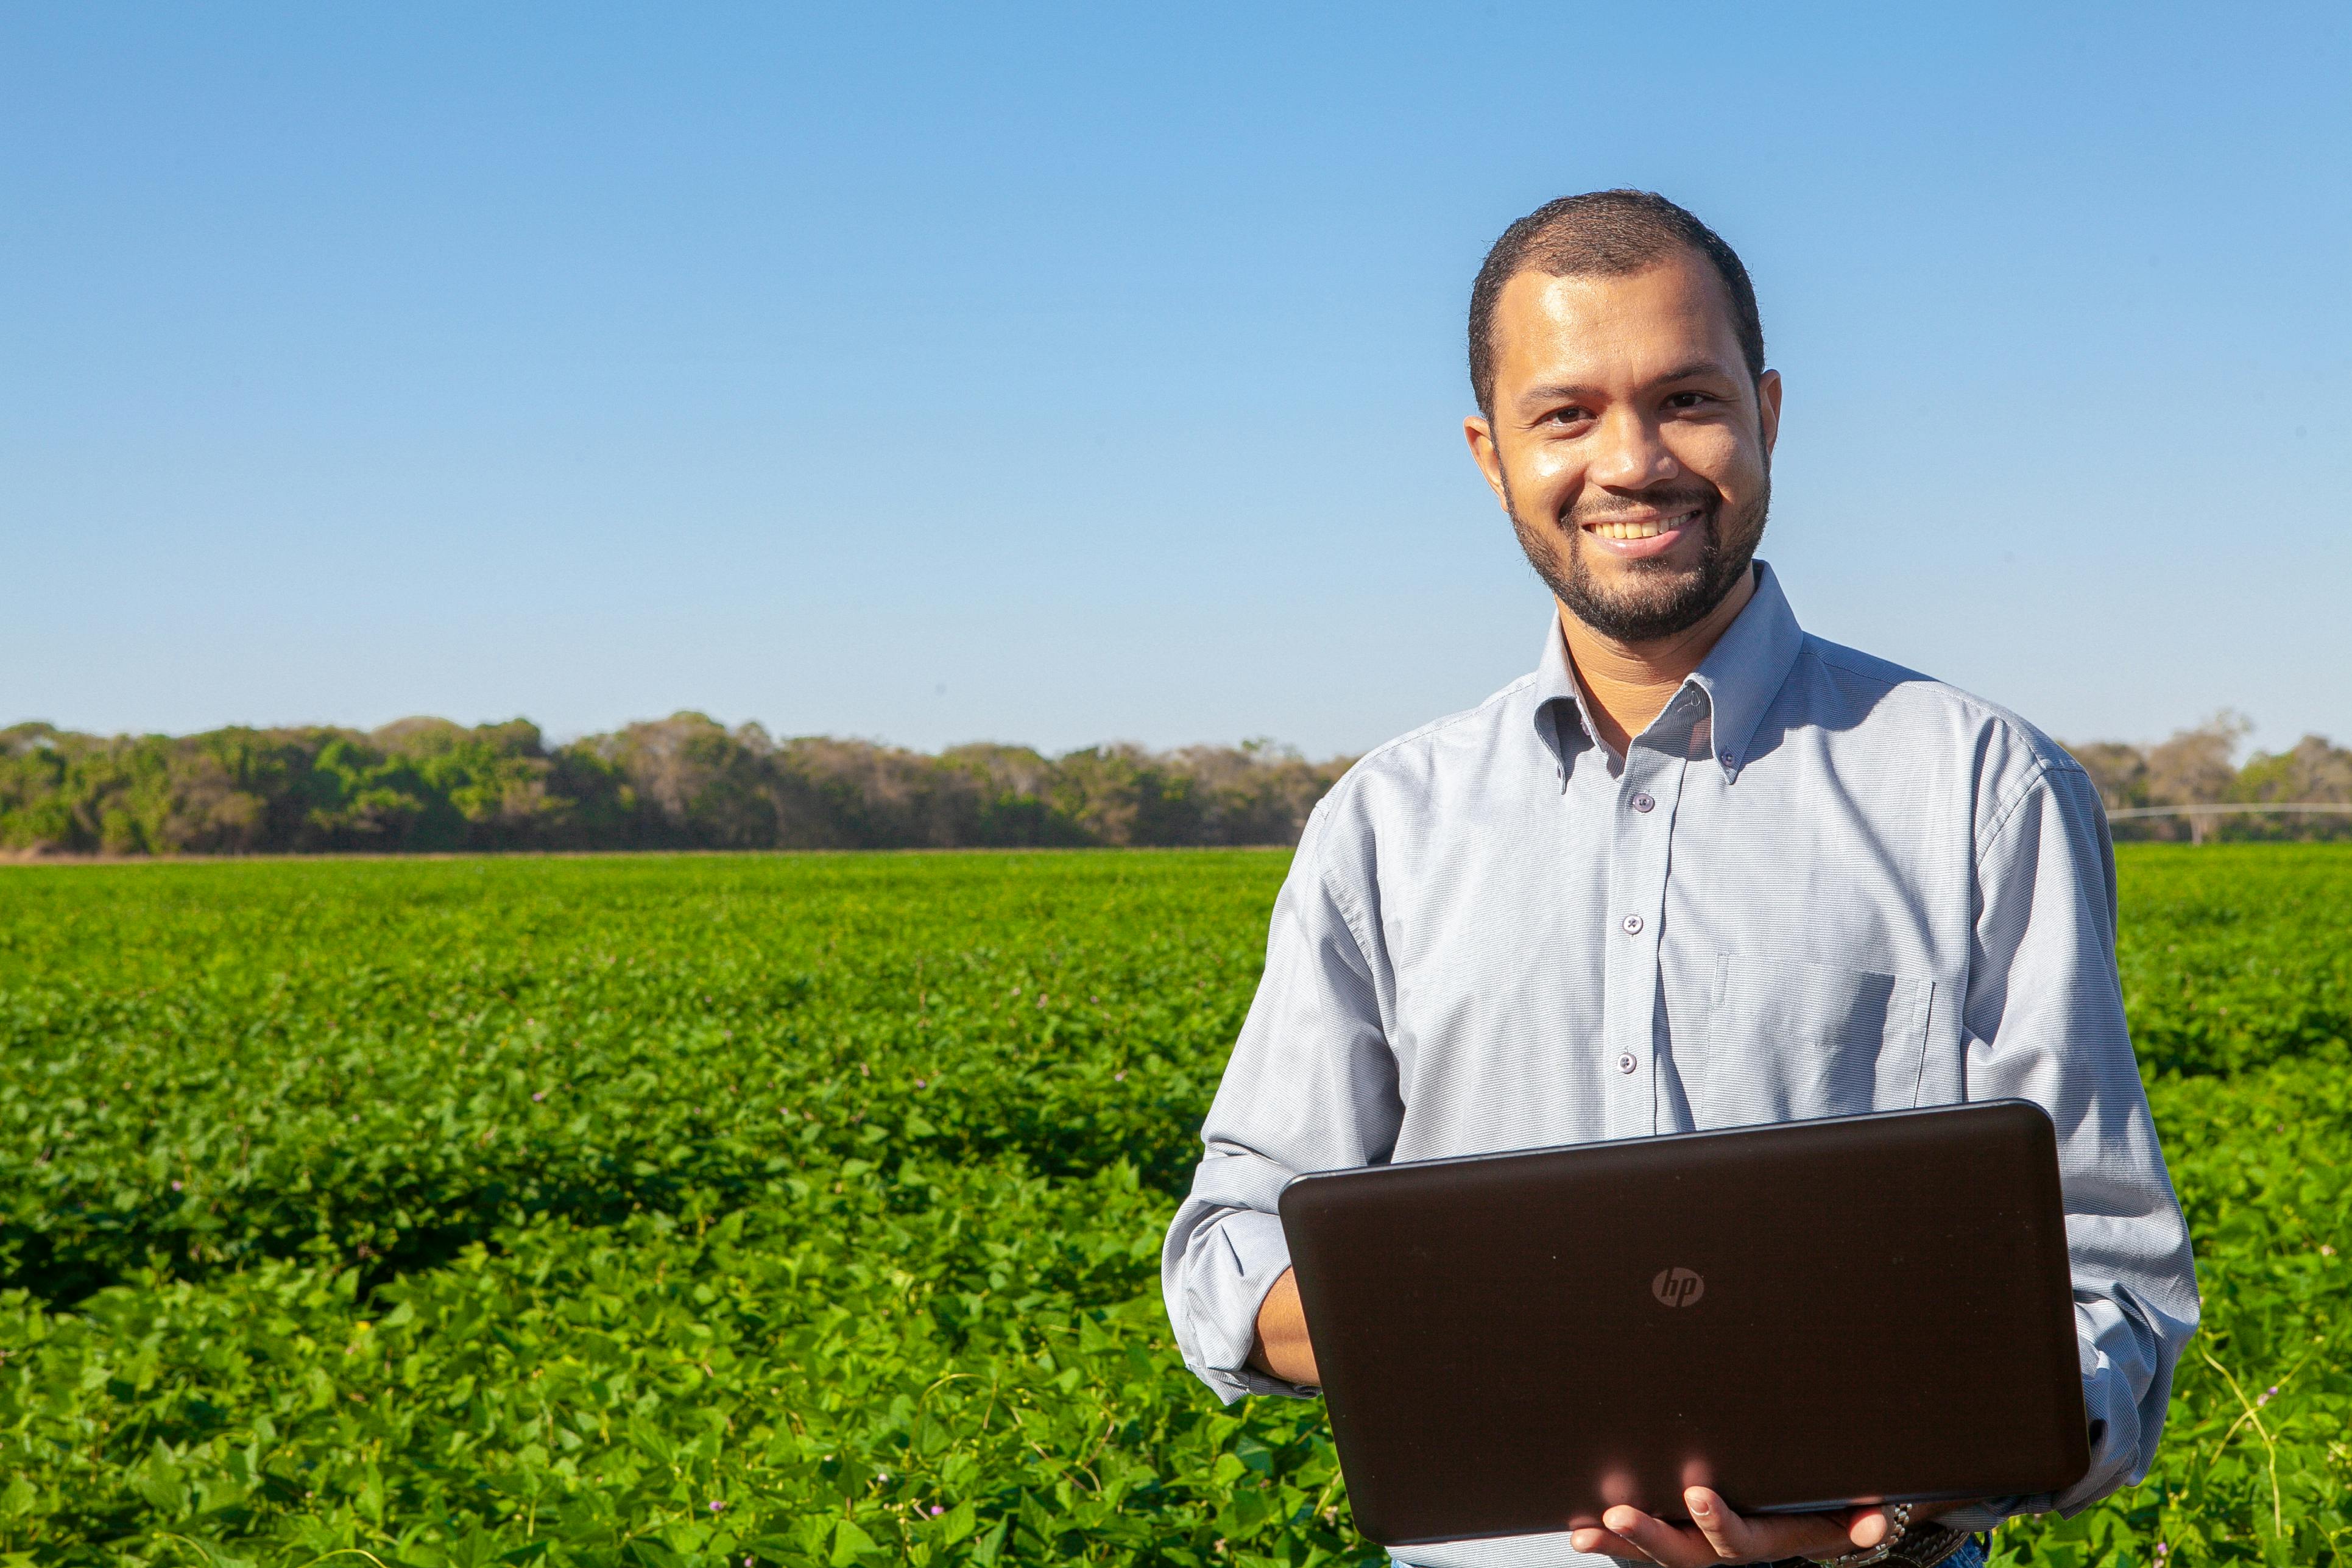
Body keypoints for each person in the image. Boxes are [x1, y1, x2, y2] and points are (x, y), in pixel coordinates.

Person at [1159, 191, 2199, 1568]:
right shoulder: (1382, 826)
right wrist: (1476, 1321)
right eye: (1565, 413)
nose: (1631, 461)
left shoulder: (1978, 789)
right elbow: (1227, 1249)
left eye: (1686, 399)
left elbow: (2106, 1284)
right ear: (1488, 452)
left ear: (1766, 411)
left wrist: (1881, 1518)